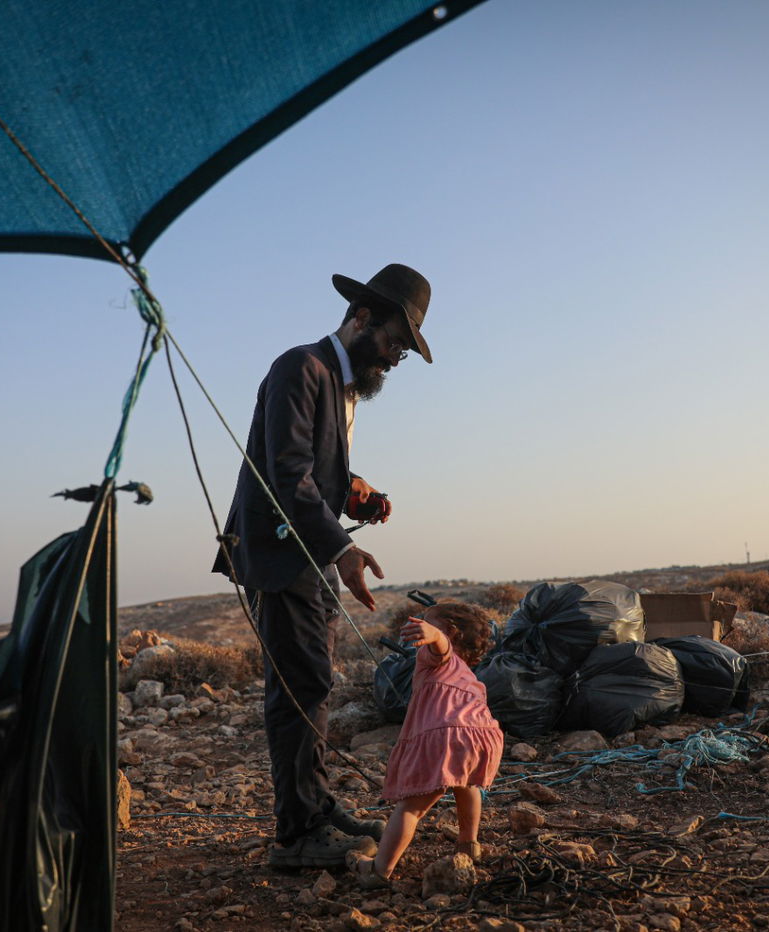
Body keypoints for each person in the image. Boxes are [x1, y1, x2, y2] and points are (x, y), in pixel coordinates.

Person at [211, 263, 434, 869]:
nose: (392, 360)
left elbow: (316, 469)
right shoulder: (300, 368)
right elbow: (287, 472)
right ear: (361, 317)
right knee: (298, 688)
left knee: (312, 683)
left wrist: (355, 491)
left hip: (308, 554)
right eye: (393, 343)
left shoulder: (342, 387)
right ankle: (297, 835)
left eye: (403, 354)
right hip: (283, 556)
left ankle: (313, 806)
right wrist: (343, 546)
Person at [347, 602, 503, 887]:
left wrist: (435, 636)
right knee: (466, 786)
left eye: (428, 621)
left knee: (410, 808)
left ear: (451, 633)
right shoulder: (467, 673)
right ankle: (468, 843)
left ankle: (379, 871)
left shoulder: (439, 658)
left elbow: (441, 646)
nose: (422, 624)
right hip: (482, 735)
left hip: (446, 737)